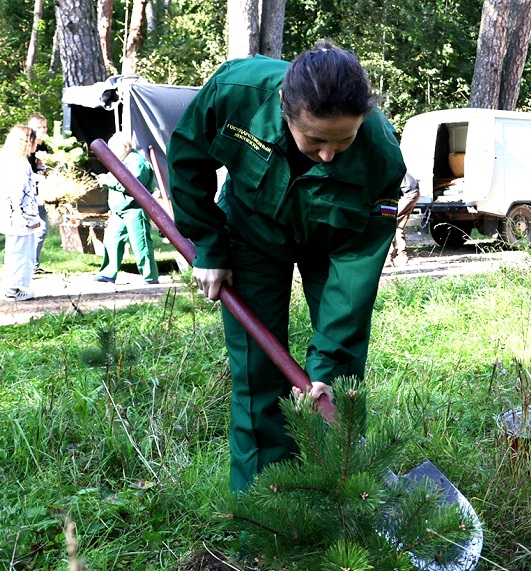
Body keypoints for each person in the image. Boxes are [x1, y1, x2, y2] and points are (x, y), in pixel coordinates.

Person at [167, 41, 405, 493]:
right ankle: (265, 500)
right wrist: (211, 246)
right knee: (258, 370)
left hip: (334, 243)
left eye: (344, 140)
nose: (329, 155)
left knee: (339, 375)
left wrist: (327, 365)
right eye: (315, 139)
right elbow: (188, 158)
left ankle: (342, 494)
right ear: (284, 107)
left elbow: (356, 269)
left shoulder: (382, 157)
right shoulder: (236, 92)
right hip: (251, 233)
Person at [93, 132, 160, 284]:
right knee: (111, 240)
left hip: (135, 209)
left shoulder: (136, 161)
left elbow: (132, 184)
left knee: (140, 243)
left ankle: (150, 277)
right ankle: (108, 273)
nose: (110, 153)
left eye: (113, 148)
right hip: (119, 211)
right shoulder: (121, 161)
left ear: (125, 146)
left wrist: (108, 180)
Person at [0, 125, 43, 301]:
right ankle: (14, 289)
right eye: (34, 140)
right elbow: (16, 194)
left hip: (17, 216)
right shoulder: (18, 163)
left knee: (20, 251)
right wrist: (25, 218)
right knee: (20, 252)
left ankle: (15, 287)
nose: (37, 144)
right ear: (26, 142)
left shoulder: (14, 160)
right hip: (19, 217)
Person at [27, 113, 51, 274]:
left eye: (44, 126)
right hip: (28, 195)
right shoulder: (27, 148)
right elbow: (26, 174)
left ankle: (33, 264)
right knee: (40, 228)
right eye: (39, 127)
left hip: (39, 193)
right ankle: (30, 265)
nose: (43, 130)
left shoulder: (44, 147)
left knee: (43, 229)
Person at [384, 173, 420, 268]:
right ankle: (402, 257)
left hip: (408, 194)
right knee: (399, 226)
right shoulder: (393, 166)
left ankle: (388, 258)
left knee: (388, 222)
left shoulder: (384, 170)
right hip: (414, 192)